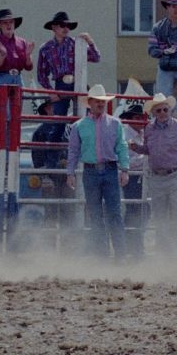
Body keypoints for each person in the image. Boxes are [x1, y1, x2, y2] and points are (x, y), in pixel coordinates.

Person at [128, 92, 177, 255]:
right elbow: (149, 150)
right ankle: (164, 253)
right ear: (153, 113)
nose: (163, 113)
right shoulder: (149, 128)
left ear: (169, 110)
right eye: (159, 111)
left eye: (165, 110)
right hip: (157, 176)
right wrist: (137, 148)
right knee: (160, 218)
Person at [64, 84, 130, 259]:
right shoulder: (78, 126)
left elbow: (122, 147)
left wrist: (124, 169)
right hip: (91, 171)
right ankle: (103, 255)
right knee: (95, 214)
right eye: (98, 101)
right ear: (90, 102)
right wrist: (70, 172)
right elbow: (73, 151)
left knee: (114, 213)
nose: (101, 104)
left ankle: (119, 255)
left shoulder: (115, 124)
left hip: (109, 169)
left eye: (103, 101)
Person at [37, 12, 102, 117]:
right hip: (60, 84)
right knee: (59, 119)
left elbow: (96, 58)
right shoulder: (45, 48)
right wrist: (51, 92)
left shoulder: (77, 44)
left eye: (68, 26)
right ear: (54, 28)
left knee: (86, 116)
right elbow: (41, 75)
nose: (66, 28)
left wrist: (90, 41)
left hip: (79, 82)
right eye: (62, 25)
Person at [118, 103, 149, 258]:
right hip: (132, 175)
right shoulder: (125, 135)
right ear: (130, 120)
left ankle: (135, 245)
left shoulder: (144, 133)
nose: (141, 121)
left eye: (142, 117)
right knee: (134, 210)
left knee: (142, 210)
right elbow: (126, 159)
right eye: (138, 118)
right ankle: (133, 246)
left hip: (142, 176)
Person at [0, 8, 34, 89]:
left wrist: (28, 56)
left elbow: (28, 67)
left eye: (11, 22)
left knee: (18, 102)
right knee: (2, 102)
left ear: (14, 24)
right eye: (5, 22)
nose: (9, 25)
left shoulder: (22, 42)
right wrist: (2, 56)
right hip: (1, 80)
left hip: (18, 79)